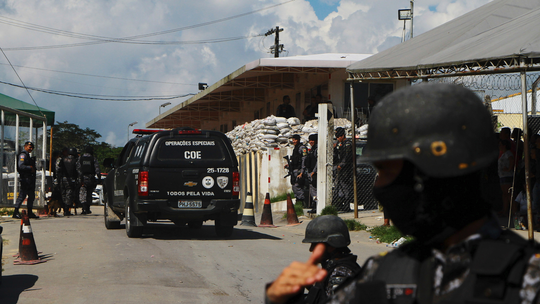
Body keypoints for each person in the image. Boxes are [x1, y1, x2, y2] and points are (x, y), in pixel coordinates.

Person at [265, 83, 540, 304]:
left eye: (387, 171)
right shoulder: (386, 273)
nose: (380, 187)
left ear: (426, 176)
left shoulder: (528, 277)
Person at [267, 215, 361, 304]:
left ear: (331, 246)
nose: (311, 249)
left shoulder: (341, 274)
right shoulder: (333, 267)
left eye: (315, 245)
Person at [13, 141, 37, 219]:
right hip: (25, 178)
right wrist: (30, 167)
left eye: (32, 148)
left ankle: (29, 212)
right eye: (29, 147)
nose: (31, 149)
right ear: (25, 147)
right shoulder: (23, 155)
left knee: (31, 196)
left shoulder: (27, 155)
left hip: (29, 179)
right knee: (22, 195)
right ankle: (15, 212)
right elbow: (21, 166)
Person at [333, 127, 353, 212]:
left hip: (346, 169)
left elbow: (347, 157)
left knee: (345, 187)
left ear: (343, 135)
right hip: (340, 169)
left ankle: (347, 205)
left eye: (339, 137)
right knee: (339, 187)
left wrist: (341, 165)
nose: (337, 139)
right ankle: (341, 203)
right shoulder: (340, 144)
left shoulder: (347, 144)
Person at [77, 146, 101, 215]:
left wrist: (79, 178)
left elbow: (78, 169)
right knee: (89, 194)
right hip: (90, 178)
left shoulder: (80, 158)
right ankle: (87, 208)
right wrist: (99, 178)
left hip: (82, 179)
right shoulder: (93, 158)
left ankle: (84, 208)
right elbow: (97, 169)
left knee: (82, 194)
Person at [285, 135, 307, 207]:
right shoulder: (295, 148)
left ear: (298, 140)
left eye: (295, 140)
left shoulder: (302, 148)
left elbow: (304, 160)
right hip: (295, 170)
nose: (294, 141)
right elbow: (295, 160)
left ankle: (302, 201)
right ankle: (298, 200)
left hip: (299, 170)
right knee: (294, 185)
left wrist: (302, 172)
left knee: (298, 186)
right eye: (293, 140)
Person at [57, 147, 78, 216]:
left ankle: (64, 209)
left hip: (62, 179)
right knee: (69, 194)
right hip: (70, 179)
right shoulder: (75, 160)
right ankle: (66, 210)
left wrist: (58, 179)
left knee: (63, 194)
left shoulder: (62, 159)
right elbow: (78, 171)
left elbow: (58, 169)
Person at [303, 134, 318, 213]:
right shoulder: (312, 149)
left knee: (315, 191)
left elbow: (318, 162)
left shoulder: (316, 149)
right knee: (312, 191)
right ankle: (314, 205)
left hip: (314, 173)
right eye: (310, 140)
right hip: (310, 172)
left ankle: (316, 205)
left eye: (312, 140)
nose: (311, 142)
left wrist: (314, 171)